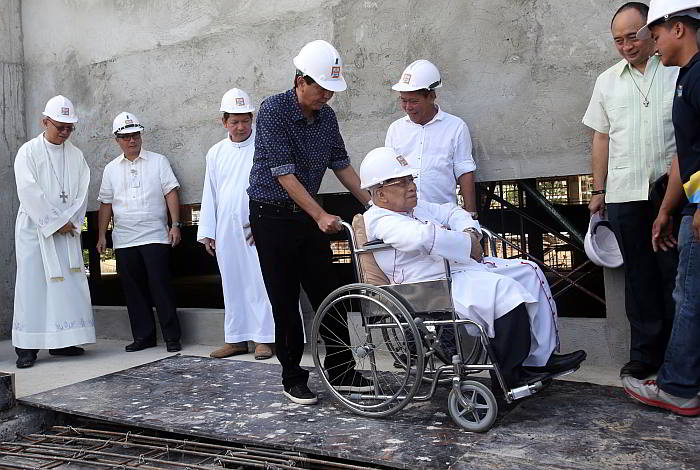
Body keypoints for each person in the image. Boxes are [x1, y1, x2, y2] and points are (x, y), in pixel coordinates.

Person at [360, 147, 586, 388]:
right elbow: (422, 238)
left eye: (410, 179)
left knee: (528, 272)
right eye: (402, 182)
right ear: (381, 194)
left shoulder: (416, 208)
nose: (411, 186)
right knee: (507, 291)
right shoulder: (382, 220)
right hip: (432, 284)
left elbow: (452, 211)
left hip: (458, 269)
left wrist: (469, 233)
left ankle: (539, 360)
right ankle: (509, 376)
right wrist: (468, 245)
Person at [248, 40, 372, 405]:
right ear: (300, 80)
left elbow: (340, 163)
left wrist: (373, 202)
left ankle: (343, 370)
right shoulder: (272, 111)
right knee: (284, 298)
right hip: (271, 214)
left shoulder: (327, 118)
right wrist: (318, 214)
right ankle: (292, 377)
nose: (327, 96)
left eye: (332, 90)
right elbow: (283, 173)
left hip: (307, 214)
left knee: (328, 291)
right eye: (321, 88)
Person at [582, 2, 680, 380]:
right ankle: (644, 356)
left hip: (672, 189)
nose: (626, 45)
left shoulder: (676, 70)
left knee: (674, 274)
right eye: (618, 40)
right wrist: (599, 189)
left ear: (649, 30)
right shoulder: (607, 81)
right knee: (638, 278)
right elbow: (601, 137)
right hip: (624, 192)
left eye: (632, 36)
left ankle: (679, 356)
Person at [622, 0, 700, 417]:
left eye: (656, 34)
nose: (653, 44)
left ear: (679, 29)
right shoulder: (687, 78)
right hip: (687, 206)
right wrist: (667, 210)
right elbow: (684, 156)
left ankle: (679, 387)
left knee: (689, 298)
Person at [12, 95, 95, 369]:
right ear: (44, 121)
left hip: (66, 231)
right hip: (36, 230)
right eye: (60, 126)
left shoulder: (76, 155)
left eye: (70, 127)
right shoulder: (28, 151)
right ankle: (27, 347)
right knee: (33, 285)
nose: (65, 132)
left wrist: (69, 220)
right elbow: (27, 189)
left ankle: (64, 340)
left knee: (67, 286)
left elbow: (83, 190)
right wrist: (54, 221)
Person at [197, 88, 274, 360]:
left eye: (245, 120)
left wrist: (265, 223)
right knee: (231, 283)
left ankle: (264, 338)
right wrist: (209, 231)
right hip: (226, 230)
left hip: (256, 227)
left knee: (260, 281)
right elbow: (211, 191)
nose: (241, 127)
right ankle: (236, 339)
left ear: (252, 119)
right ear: (224, 122)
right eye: (234, 121)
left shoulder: (263, 146)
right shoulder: (215, 152)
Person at [96, 112, 182, 353]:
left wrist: (175, 225)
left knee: (161, 287)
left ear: (140, 135)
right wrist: (102, 235)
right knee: (133, 292)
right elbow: (106, 203)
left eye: (135, 135)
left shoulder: (158, 161)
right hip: (124, 239)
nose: (131, 140)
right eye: (125, 137)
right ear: (117, 140)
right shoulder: (111, 169)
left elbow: (171, 192)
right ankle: (143, 337)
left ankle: (172, 337)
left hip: (156, 235)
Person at [384, 59, 477, 215]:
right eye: (403, 100)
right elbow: (388, 173)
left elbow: (464, 170)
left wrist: (471, 214)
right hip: (406, 217)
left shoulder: (456, 127)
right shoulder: (395, 129)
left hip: (443, 216)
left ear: (432, 96)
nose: (408, 107)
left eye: (413, 101)